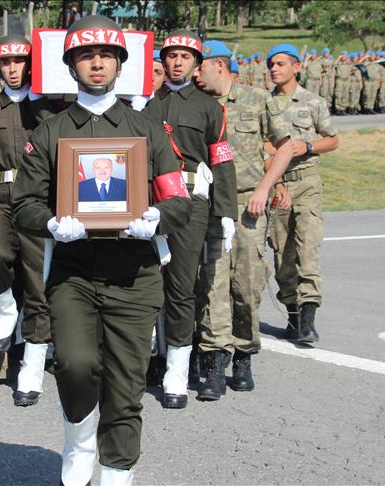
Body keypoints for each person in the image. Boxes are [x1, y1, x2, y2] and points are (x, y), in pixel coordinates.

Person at [12, 15, 192, 484]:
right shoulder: (50, 132)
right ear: (71, 66)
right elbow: (23, 203)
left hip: (135, 274)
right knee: (74, 366)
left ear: (119, 64)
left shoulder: (148, 129)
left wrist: (156, 218)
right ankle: (79, 439)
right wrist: (52, 223)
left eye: (106, 55)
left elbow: (178, 199)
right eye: (86, 56)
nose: (97, 63)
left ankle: (116, 470)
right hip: (73, 272)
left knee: (127, 383)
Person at [192, 40, 293, 397]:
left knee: (247, 284)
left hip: (249, 204)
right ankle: (214, 363)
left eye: (199, 66)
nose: (193, 72)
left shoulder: (256, 99)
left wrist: (266, 187)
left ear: (217, 65)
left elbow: (287, 146)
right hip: (210, 205)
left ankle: (244, 354)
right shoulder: (195, 104)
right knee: (213, 283)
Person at [142, 29, 237, 410]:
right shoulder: (148, 107)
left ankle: (178, 373)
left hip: (192, 202)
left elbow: (222, 160)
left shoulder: (210, 108)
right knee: (147, 284)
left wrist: (225, 211)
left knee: (182, 287)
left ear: (196, 64)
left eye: (185, 57)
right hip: (152, 203)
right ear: (162, 62)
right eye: (171, 56)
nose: (177, 62)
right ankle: (149, 362)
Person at [0, 35, 59, 406]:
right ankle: (6, 311)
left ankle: (32, 369)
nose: (12, 69)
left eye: (19, 61)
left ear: (31, 64)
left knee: (39, 286)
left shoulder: (51, 110)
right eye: (5, 63)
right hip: (2, 198)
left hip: (40, 199)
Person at [266, 44, 339, 345]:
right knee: (282, 252)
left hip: (307, 181)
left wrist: (307, 146)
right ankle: (293, 315)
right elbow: (262, 147)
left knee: (307, 247)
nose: (274, 69)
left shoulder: (312, 102)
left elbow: (332, 140)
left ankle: (308, 320)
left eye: (281, 64)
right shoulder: (264, 104)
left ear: (296, 67)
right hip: (278, 183)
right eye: (271, 64)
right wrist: (277, 181)